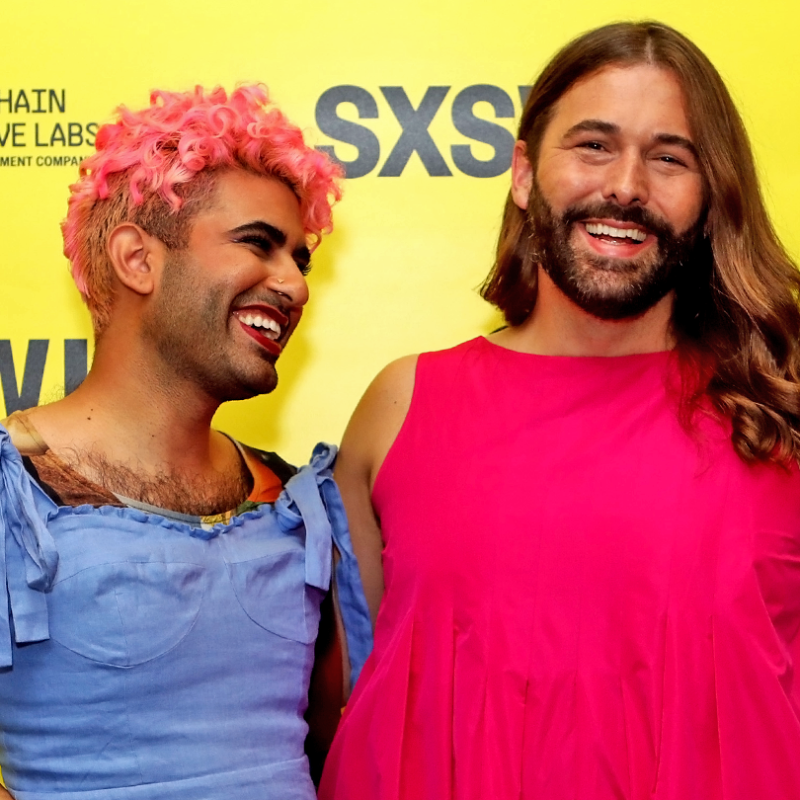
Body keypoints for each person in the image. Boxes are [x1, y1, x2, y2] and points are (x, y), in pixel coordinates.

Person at [320, 20, 800, 800]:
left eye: (669, 158)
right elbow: (352, 692)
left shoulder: (782, 415)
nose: (627, 186)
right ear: (521, 174)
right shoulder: (401, 407)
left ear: (711, 199)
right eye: (593, 145)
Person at [0, 85, 370, 799]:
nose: (293, 284)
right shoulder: (14, 493)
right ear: (138, 259)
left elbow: (335, 746)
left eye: (301, 259)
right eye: (258, 245)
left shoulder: (298, 505)